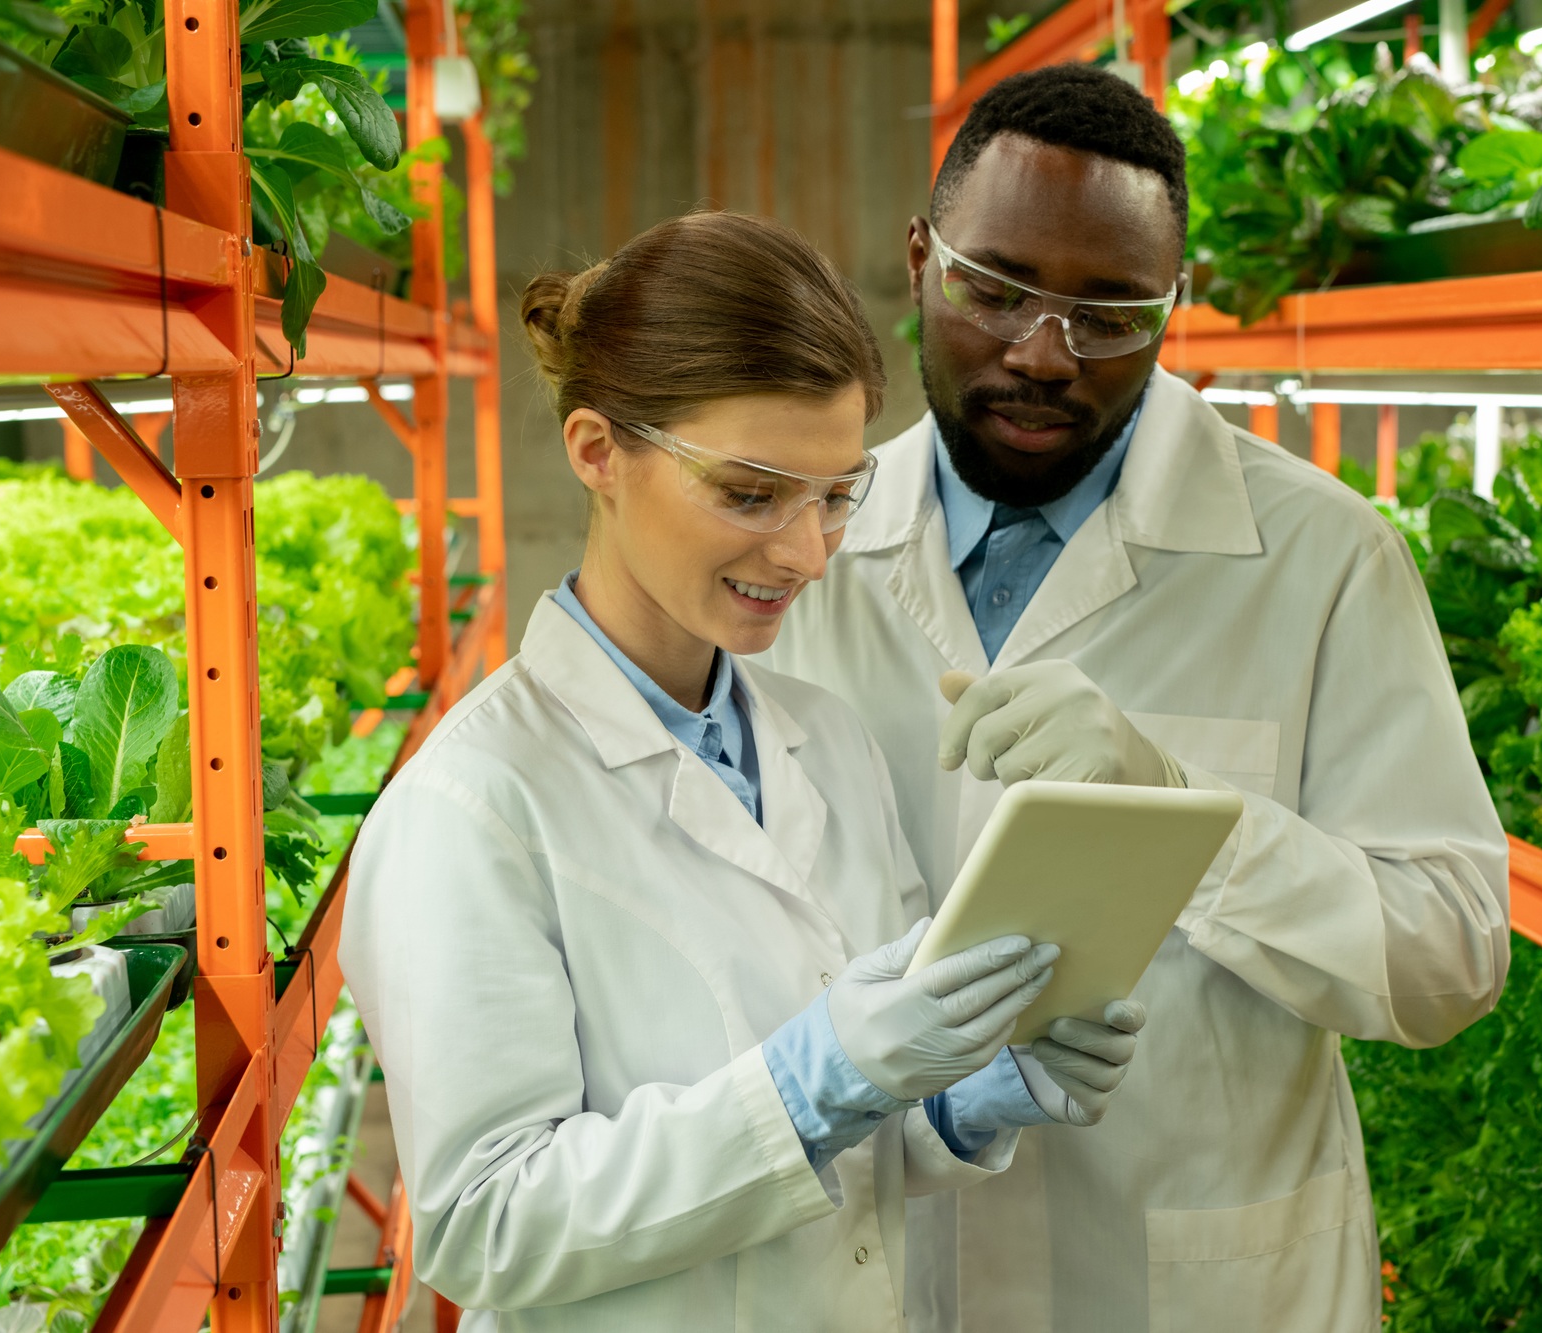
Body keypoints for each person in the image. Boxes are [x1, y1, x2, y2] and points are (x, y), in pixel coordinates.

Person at [764, 65, 1510, 1333]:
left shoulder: (1318, 558)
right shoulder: (799, 556)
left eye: (1109, 313)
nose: (1042, 353)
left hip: (1198, 1282)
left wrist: (1179, 811)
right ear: (917, 258)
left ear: (1175, 306)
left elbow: (1446, 956)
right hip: (877, 1271)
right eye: (993, 288)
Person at [339, 211, 1151, 1332]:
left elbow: (846, 1152)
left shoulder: (826, 739)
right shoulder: (471, 804)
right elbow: (486, 1223)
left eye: (833, 496)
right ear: (595, 453)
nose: (807, 553)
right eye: (749, 493)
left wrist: (966, 1096)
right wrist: (810, 1077)